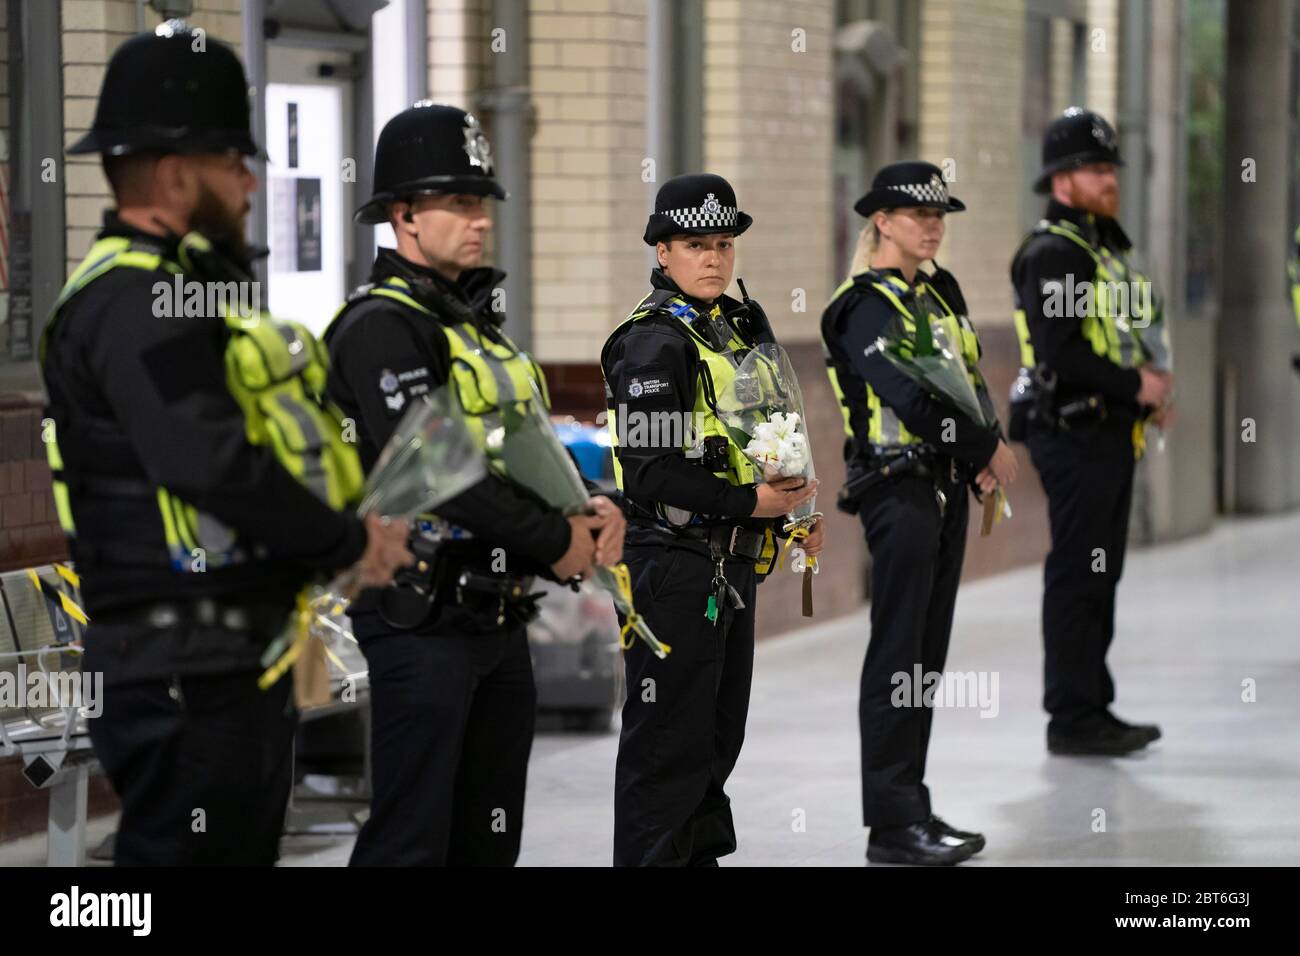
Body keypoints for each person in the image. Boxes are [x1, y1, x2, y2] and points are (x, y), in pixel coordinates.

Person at [40, 24, 412, 865]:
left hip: (218, 652)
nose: (251, 182)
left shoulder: (173, 293)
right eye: (231, 163)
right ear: (175, 175)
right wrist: (349, 542)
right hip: (180, 662)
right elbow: (210, 462)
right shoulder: (135, 303)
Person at [323, 102, 625, 866]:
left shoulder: (472, 325)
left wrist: (588, 506)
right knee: (411, 842)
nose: (479, 219)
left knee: (488, 841)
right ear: (402, 215)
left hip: (495, 616)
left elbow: (515, 444)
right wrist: (556, 537)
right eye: (456, 202)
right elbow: (435, 473)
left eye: (480, 201)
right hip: (418, 619)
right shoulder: (379, 328)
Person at [601, 173, 824, 866]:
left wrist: (795, 512)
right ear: (662, 250)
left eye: (725, 243)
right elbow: (649, 471)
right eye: (696, 244)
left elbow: (766, 430)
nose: (714, 258)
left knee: (714, 738)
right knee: (666, 742)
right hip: (671, 560)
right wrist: (747, 504)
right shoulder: (653, 344)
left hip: (729, 560)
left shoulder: (736, 328)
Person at [821, 161, 1015, 865]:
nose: (933, 227)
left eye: (940, 216)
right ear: (881, 221)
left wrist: (978, 457)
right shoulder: (860, 306)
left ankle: (914, 809)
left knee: (925, 659)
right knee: (898, 651)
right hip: (896, 490)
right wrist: (987, 447)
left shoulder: (942, 292)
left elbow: (964, 379)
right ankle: (892, 825)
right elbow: (908, 397)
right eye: (918, 215)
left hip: (944, 485)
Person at [1009, 108, 1171, 756]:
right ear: (1061, 180)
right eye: (1094, 169)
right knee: (1080, 574)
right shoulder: (1054, 253)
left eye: (1110, 169)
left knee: (1100, 573)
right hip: (1073, 433)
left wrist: (1146, 392)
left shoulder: (1099, 249)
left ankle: (1091, 706)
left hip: (1107, 431)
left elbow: (1115, 335)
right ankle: (1072, 717)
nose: (1109, 180)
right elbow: (1061, 351)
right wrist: (1137, 386)